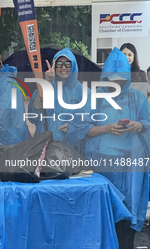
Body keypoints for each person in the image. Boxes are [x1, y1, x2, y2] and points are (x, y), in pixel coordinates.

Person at [68, 47, 150, 249]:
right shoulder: (94, 97)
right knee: (105, 213)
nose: (116, 84)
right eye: (111, 80)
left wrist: (136, 125)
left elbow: (146, 123)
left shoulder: (137, 98)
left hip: (130, 168)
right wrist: (105, 128)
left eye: (120, 79)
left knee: (127, 215)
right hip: (102, 166)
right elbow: (81, 129)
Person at [28, 47, 89, 154]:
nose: (63, 67)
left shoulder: (83, 91)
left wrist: (74, 127)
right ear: (54, 66)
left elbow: (89, 120)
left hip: (70, 150)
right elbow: (34, 112)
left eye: (67, 64)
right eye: (59, 63)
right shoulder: (46, 86)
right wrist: (47, 82)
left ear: (73, 66)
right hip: (43, 148)